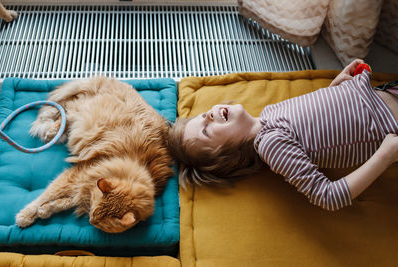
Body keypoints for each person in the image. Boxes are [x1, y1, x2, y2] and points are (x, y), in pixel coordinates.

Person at [167, 59, 398, 211]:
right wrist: (385, 155)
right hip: (390, 121)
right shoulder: (270, 145)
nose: (207, 115)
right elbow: (327, 196)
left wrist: (337, 88)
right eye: (205, 131)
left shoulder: (268, 114)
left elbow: (317, 123)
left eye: (201, 116)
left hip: (381, 91)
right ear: (229, 157)